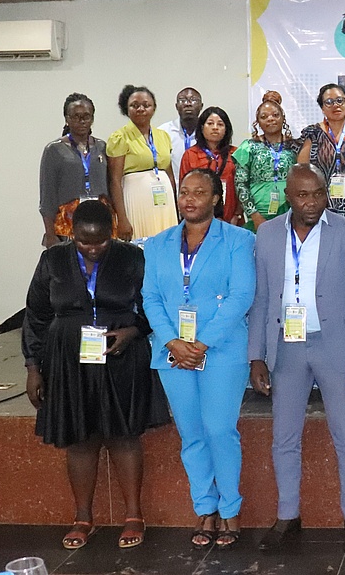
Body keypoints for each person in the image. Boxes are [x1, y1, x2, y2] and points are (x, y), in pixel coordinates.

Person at [22, 199, 169, 550]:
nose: (92, 249)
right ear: (71, 234)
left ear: (112, 232)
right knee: (80, 436)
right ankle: (82, 517)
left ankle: (134, 515)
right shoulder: (52, 260)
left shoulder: (133, 258)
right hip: (67, 358)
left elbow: (155, 307)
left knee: (123, 435)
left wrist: (133, 331)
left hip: (121, 354)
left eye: (100, 241)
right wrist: (33, 368)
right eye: (84, 242)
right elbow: (37, 316)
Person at [248, 164, 345, 555]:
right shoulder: (267, 234)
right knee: (284, 437)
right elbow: (262, 299)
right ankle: (287, 515)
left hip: (335, 346)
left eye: (318, 194)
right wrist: (256, 357)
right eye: (302, 195)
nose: (311, 202)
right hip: (285, 348)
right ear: (288, 195)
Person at [142, 169, 256, 550]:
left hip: (221, 351)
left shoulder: (239, 240)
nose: (189, 199)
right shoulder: (157, 245)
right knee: (191, 435)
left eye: (199, 192)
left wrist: (201, 343)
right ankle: (205, 507)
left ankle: (231, 508)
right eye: (185, 192)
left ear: (215, 198)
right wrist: (173, 341)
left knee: (220, 429)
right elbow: (150, 299)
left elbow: (242, 296)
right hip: (173, 353)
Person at [296, 83, 345, 232]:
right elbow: (302, 173)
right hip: (321, 209)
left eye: (340, 100)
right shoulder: (312, 133)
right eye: (329, 102)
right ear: (322, 108)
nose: (335, 105)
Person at [39, 93, 112, 248]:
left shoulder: (102, 147)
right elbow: (47, 197)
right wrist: (50, 234)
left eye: (86, 116)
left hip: (100, 220)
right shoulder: (55, 150)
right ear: (67, 118)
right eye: (76, 116)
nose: (82, 121)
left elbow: (111, 187)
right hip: (67, 223)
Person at [107, 84, 178, 242]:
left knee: (166, 247)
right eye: (135, 105)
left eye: (146, 105)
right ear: (126, 108)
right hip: (136, 201)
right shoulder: (119, 137)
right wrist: (122, 218)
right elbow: (115, 181)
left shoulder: (163, 136)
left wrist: (176, 205)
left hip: (165, 204)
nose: (140, 109)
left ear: (154, 108)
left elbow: (170, 174)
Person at [232, 93, 297, 232]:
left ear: (283, 118)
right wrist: (254, 215)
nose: (270, 119)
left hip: (291, 214)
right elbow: (240, 184)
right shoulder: (248, 147)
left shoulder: (295, 146)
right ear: (258, 122)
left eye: (275, 115)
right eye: (264, 117)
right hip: (258, 216)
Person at [179, 107, 242, 225]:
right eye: (210, 123)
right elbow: (184, 189)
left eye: (220, 124)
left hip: (232, 219)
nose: (215, 128)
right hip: (199, 219)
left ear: (226, 129)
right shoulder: (191, 154)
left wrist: (237, 215)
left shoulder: (236, 154)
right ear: (202, 128)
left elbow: (242, 186)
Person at [157, 87, 204, 183]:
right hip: (171, 188)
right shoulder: (163, 132)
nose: (188, 104)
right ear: (176, 106)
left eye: (193, 100)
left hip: (202, 190)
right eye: (182, 100)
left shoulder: (207, 132)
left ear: (201, 106)